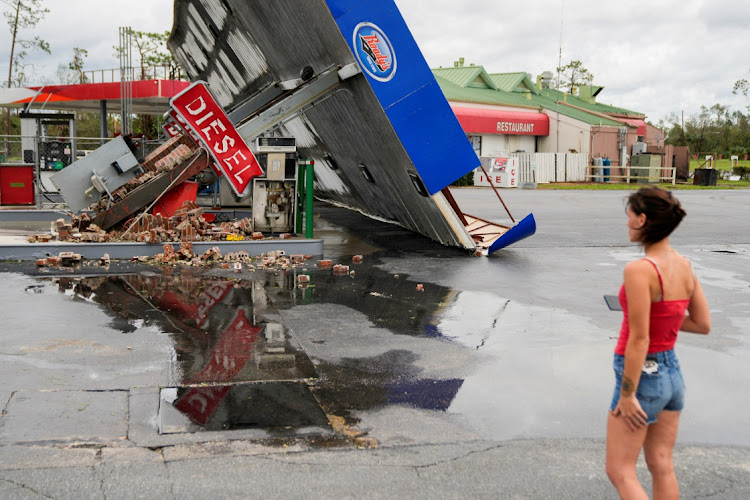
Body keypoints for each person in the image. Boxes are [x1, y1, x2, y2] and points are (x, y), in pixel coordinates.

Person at [606, 187, 711, 499]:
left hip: (641, 377)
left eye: (629, 218)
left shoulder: (640, 270)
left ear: (642, 220)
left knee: (620, 470)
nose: (626, 224)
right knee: (661, 463)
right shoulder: (684, 265)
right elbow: (702, 324)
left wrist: (628, 395)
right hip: (672, 375)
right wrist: (662, 317)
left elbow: (639, 339)